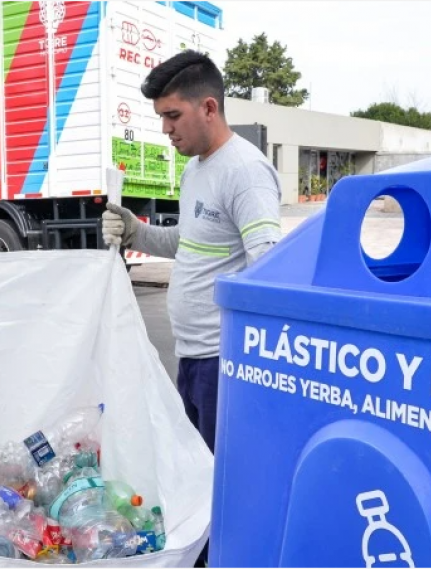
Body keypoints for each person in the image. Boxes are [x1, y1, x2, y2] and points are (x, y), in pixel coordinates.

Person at [102, 50, 282, 453]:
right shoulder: (196, 169)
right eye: (162, 117)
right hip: (192, 357)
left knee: (222, 479)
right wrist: (135, 231)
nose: (165, 128)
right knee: (199, 476)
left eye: (173, 115)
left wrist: (249, 362)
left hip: (223, 362)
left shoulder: (245, 173)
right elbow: (189, 243)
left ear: (209, 107)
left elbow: (267, 270)